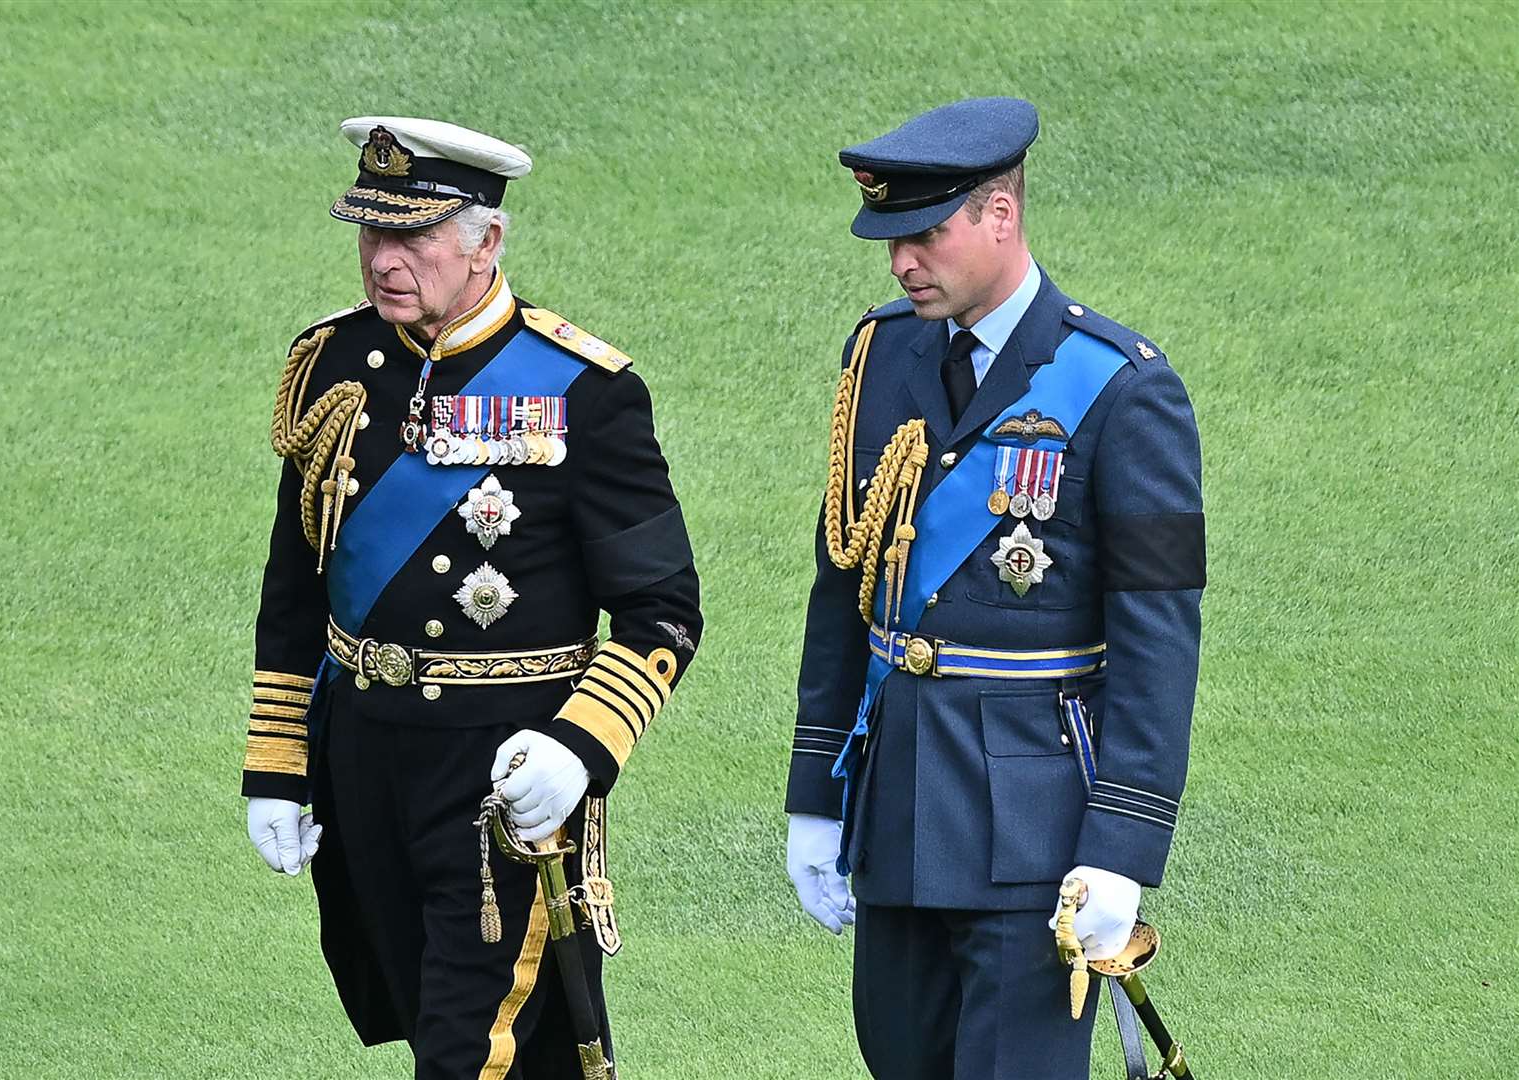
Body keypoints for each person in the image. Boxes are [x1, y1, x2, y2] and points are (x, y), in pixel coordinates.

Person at [241, 115, 701, 1079]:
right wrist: (278, 762)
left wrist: (578, 749)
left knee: (467, 1048)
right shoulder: (331, 363)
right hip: (362, 756)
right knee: (461, 1028)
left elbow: (662, 610)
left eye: (412, 237)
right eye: (371, 233)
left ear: (485, 241)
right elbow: (297, 578)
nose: (383, 260)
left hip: (500, 771)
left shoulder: (584, 388)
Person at [783, 97, 1205, 1078]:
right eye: (890, 240)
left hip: (1037, 835)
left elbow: (1157, 639)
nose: (901, 263)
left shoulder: (1123, 388)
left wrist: (1123, 849)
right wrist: (816, 795)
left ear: (998, 217)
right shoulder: (879, 355)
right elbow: (842, 585)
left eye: (924, 235)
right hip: (893, 814)